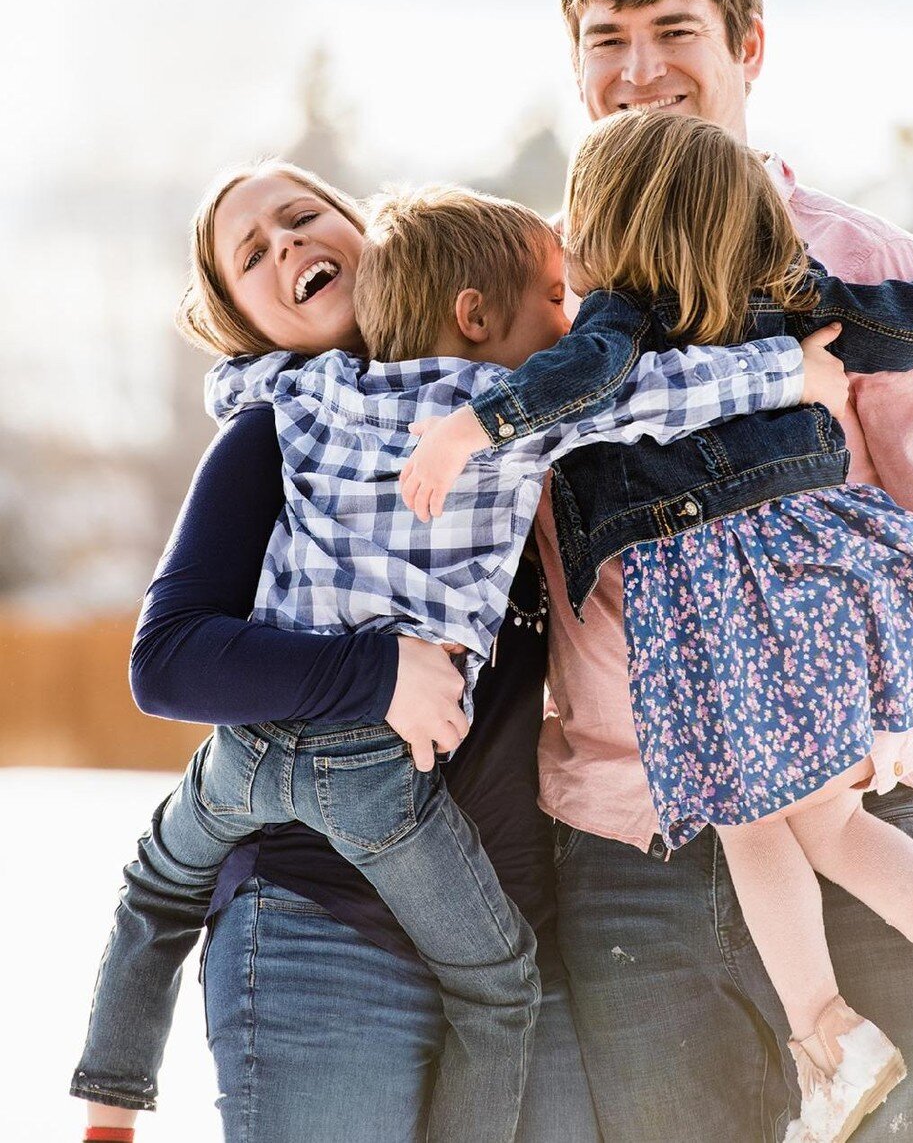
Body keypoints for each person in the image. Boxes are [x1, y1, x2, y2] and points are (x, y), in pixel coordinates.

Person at [402, 108, 913, 1142]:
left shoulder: (616, 321)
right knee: (831, 823)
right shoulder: (796, 299)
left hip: (713, 614)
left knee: (756, 818)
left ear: (609, 232)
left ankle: (829, 1038)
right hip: (821, 577)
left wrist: (467, 427)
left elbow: (568, 384)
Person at [525, 0, 913, 1143]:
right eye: (606, 40)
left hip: (866, 812)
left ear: (747, 46)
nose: (637, 69)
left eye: (672, 32)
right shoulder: (549, 295)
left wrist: (889, 738)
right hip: (628, 844)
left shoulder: (852, 267)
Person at [70, 164, 596, 1143]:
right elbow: (171, 657)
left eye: (301, 216)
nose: (286, 246)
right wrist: (378, 670)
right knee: (159, 884)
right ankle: (108, 1103)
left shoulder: (509, 412)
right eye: (252, 255)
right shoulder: (275, 435)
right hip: (322, 929)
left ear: (370, 232)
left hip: (512, 934)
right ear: (250, 325)